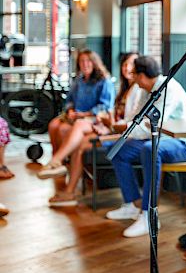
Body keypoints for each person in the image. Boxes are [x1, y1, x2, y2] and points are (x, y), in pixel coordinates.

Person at [106, 55, 186, 238]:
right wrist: (124, 131)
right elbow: (136, 119)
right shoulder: (145, 89)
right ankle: (131, 204)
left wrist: (126, 129)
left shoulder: (168, 88)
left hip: (184, 144)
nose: (133, 78)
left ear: (142, 75)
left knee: (149, 149)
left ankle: (149, 216)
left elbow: (153, 126)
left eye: (134, 74)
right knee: (117, 148)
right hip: (159, 140)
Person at [38, 52, 142, 207]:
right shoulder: (124, 89)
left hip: (122, 134)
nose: (127, 68)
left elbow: (128, 121)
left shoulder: (138, 90)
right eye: (125, 64)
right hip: (110, 127)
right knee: (71, 138)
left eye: (132, 65)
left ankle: (58, 165)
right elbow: (113, 114)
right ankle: (68, 187)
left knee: (78, 131)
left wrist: (105, 124)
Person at [42, 49, 115, 173]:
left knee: (62, 129)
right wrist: (70, 110)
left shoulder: (104, 81)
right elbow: (70, 100)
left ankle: (61, 160)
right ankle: (58, 161)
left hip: (92, 118)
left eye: (88, 61)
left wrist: (84, 114)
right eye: (82, 61)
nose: (85, 64)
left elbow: (105, 106)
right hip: (76, 115)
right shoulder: (79, 80)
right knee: (53, 125)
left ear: (94, 63)